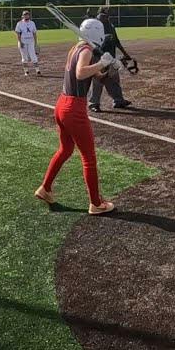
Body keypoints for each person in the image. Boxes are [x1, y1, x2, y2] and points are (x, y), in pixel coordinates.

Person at [35, 18, 116, 214]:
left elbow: (93, 76)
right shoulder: (87, 50)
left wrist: (107, 70)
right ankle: (96, 203)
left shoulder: (77, 48)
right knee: (88, 157)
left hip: (62, 105)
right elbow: (80, 73)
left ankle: (45, 188)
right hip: (74, 109)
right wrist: (102, 63)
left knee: (65, 150)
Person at [88, 8, 133, 112]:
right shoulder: (95, 26)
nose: (105, 17)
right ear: (98, 15)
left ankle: (118, 101)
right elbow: (92, 43)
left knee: (114, 79)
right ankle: (94, 103)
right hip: (98, 58)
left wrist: (125, 53)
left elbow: (116, 41)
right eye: (103, 15)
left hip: (111, 57)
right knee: (97, 81)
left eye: (107, 16)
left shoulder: (110, 25)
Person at [15, 10, 40, 76]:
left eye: (27, 14)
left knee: (33, 56)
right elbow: (18, 34)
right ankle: (26, 71)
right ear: (22, 16)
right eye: (25, 15)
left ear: (29, 16)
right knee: (24, 57)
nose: (26, 16)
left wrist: (36, 43)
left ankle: (38, 71)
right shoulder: (19, 23)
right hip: (23, 42)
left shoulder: (32, 23)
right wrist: (20, 42)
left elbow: (34, 33)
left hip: (31, 42)